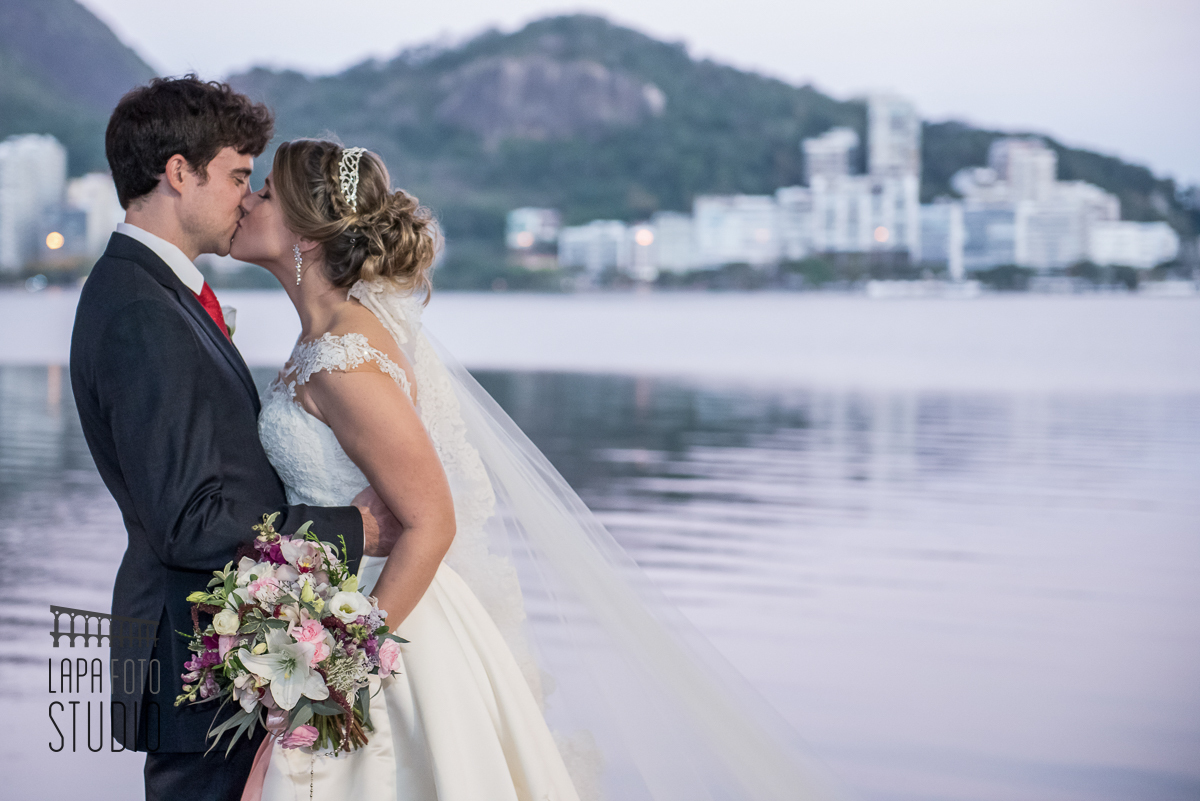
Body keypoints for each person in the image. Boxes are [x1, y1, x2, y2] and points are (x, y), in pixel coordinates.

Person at [230, 139, 845, 801]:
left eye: (264, 191)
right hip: (340, 608)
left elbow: (433, 522)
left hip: (389, 631)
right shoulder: (319, 342)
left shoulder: (344, 360)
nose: (247, 200)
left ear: (309, 235)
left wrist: (343, 667)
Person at [69, 78, 403, 801]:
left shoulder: (159, 295)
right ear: (179, 173)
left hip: (226, 656)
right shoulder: (140, 312)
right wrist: (355, 529)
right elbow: (190, 521)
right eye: (237, 176)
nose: (246, 199)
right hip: (199, 665)